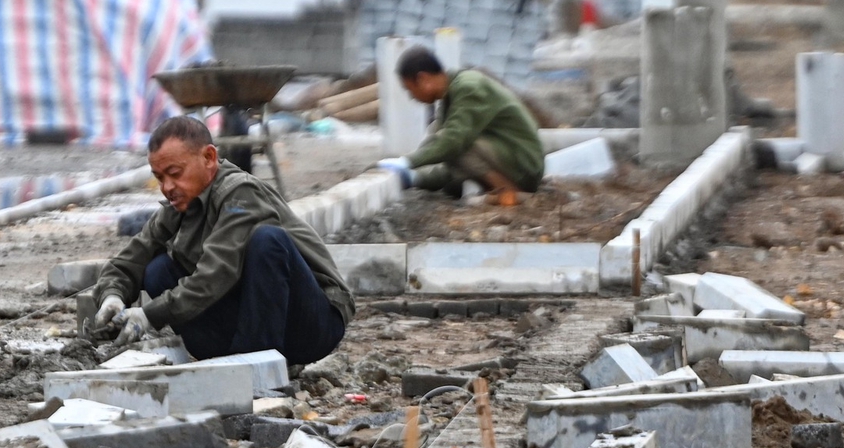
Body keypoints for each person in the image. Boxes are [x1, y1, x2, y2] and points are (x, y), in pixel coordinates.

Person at [91, 115, 353, 366]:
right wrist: (112, 296)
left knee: (268, 241)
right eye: (160, 177)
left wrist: (149, 315)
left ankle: (257, 365)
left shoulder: (240, 193)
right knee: (158, 270)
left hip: (312, 323)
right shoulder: (177, 207)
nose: (167, 187)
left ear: (209, 158)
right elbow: (131, 258)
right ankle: (231, 360)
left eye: (175, 173)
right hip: (250, 318)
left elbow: (215, 273)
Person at [378, 48, 545, 206]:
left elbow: (454, 142)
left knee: (453, 144)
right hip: (513, 161)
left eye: (410, 89)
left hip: (525, 165)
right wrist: (414, 178)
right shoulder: (450, 98)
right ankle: (500, 193)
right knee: (443, 143)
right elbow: (449, 166)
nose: (411, 97)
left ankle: (511, 194)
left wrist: (407, 161)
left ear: (423, 79)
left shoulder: (469, 87)